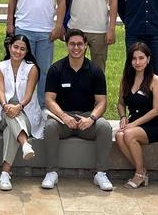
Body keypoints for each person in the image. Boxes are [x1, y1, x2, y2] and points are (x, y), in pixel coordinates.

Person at [42, 29, 114, 192]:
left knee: (104, 127)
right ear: (67, 45)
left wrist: (92, 118)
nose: (76, 48)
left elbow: (102, 102)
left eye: (80, 44)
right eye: (72, 44)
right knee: (50, 127)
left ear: (86, 46)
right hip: (63, 118)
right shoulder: (56, 69)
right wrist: (63, 116)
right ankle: (51, 172)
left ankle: (101, 173)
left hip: (86, 119)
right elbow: (49, 100)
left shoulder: (95, 71)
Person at [6, 0, 67, 102]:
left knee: (44, 70)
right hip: (23, 28)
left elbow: (62, 2)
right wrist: (9, 23)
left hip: (46, 31)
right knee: (21, 69)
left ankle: (42, 105)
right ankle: (21, 104)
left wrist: (58, 26)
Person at [0, 34, 43, 192]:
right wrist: (5, 105)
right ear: (9, 47)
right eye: (15, 47)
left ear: (27, 51)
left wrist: (18, 107)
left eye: (22, 49)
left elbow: (28, 95)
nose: (18, 51)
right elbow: (1, 91)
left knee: (10, 130)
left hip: (26, 112)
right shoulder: (1, 66)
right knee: (9, 116)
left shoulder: (32, 68)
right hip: (5, 110)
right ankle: (24, 144)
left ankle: (4, 174)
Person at [115, 42, 158, 190]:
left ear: (148, 59)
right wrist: (123, 117)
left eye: (141, 58)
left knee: (128, 134)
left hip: (153, 124)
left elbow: (156, 110)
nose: (137, 62)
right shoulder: (126, 79)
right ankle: (142, 170)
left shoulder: (155, 80)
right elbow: (120, 103)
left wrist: (133, 125)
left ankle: (138, 174)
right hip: (133, 122)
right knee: (119, 136)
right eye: (134, 59)